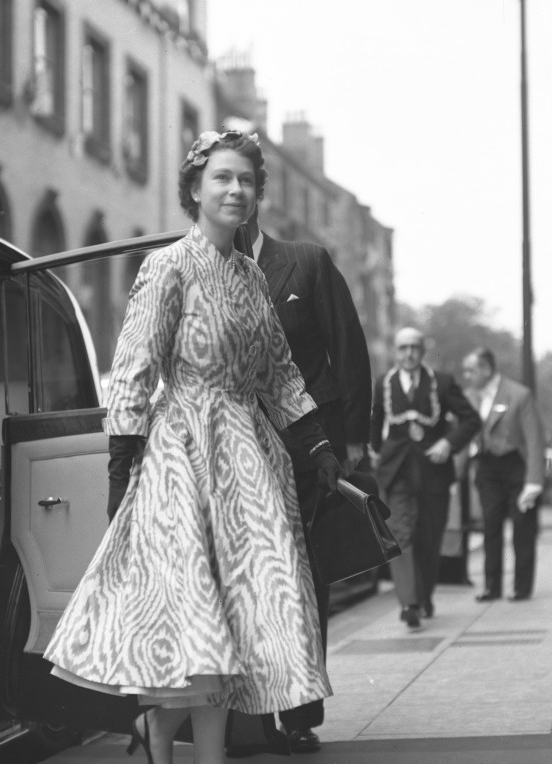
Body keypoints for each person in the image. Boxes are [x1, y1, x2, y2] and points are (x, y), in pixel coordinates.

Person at [43, 129, 342, 764]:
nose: (237, 190)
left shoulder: (252, 278)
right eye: (223, 178)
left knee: (238, 619)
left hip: (249, 461)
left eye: (247, 181)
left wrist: (313, 442)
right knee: (192, 618)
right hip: (182, 457)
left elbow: (282, 372)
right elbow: (133, 369)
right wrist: (123, 470)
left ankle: (199, 754)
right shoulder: (168, 266)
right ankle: (156, 737)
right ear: (195, 190)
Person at [241, 206, 371, 753]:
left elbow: (349, 348)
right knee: (247, 574)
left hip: (309, 443)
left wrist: (355, 438)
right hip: (240, 443)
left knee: (301, 574)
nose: (235, 193)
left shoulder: (307, 263)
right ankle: (248, 713)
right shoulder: (202, 267)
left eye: (245, 180)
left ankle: (297, 712)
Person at [369, 328, 480, 627]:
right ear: (395, 351)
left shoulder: (442, 383)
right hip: (397, 474)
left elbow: (471, 420)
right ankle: (409, 603)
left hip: (433, 475)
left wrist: (448, 443)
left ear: (423, 350)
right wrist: (375, 454)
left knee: (429, 540)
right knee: (401, 534)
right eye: (403, 348)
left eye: (414, 348)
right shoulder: (384, 384)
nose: (409, 354)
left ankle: (424, 595)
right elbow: (375, 424)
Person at [461, 348, 545, 602]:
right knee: (490, 526)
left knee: (522, 527)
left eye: (471, 371)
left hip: (516, 467)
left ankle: (522, 587)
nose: (467, 376)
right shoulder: (468, 396)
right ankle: (492, 586)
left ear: (487, 369)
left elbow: (534, 441)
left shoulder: (519, 395)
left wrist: (534, 482)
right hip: (487, 469)